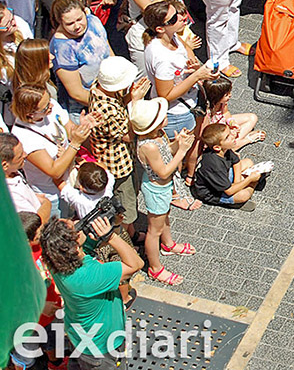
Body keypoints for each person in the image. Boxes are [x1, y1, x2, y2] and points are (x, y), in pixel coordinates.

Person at [39, 216, 143, 366]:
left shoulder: (56, 261)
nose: (77, 223)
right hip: (102, 346)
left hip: (79, 334)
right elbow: (136, 264)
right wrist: (111, 236)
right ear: (74, 247)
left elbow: (83, 253)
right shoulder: (89, 276)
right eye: (74, 227)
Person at [143, 0, 218, 181]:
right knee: (175, 153)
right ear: (160, 28)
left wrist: (194, 67)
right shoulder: (161, 57)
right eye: (174, 18)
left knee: (193, 142)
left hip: (189, 102)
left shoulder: (173, 37)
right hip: (176, 112)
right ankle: (175, 188)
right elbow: (165, 95)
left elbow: (186, 51)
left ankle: (188, 174)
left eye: (179, 13)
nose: (182, 17)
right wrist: (196, 76)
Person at [132, 97, 197, 285]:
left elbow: (165, 152)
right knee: (154, 229)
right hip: (157, 188)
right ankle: (155, 268)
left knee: (163, 217)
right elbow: (164, 171)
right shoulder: (149, 145)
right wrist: (182, 152)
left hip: (163, 186)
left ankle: (168, 244)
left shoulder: (156, 136)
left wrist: (177, 144)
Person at [87, 56, 153, 230]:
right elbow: (128, 135)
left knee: (129, 196)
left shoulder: (98, 87)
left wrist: (129, 98)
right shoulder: (105, 109)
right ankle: (124, 237)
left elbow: (119, 107)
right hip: (118, 164)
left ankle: (130, 232)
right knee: (125, 204)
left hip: (123, 157)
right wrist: (136, 101)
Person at [12, 84, 96, 217]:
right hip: (53, 195)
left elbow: (70, 130)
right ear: (30, 114)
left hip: (73, 182)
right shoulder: (23, 136)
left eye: (49, 100)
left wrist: (82, 127)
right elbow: (54, 171)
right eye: (45, 107)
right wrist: (75, 143)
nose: (51, 106)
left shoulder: (52, 107)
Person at [49, 0, 112, 118]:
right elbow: (76, 92)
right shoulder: (62, 48)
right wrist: (108, 103)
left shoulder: (93, 21)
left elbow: (108, 51)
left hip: (109, 92)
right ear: (60, 23)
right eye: (70, 23)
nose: (77, 26)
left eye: (79, 19)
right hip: (84, 109)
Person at [192, 122, 266, 209]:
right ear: (217, 147)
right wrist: (250, 179)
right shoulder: (215, 165)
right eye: (227, 137)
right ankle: (250, 188)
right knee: (244, 195)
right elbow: (229, 191)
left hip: (224, 177)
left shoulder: (224, 149)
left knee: (248, 162)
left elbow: (236, 162)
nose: (232, 136)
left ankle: (246, 184)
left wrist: (237, 182)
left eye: (230, 132)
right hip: (213, 193)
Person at [3, 134, 52, 218]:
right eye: (20, 156)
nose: (25, 155)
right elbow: (35, 224)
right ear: (5, 165)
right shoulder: (11, 195)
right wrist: (46, 203)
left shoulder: (14, 171)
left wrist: (33, 197)